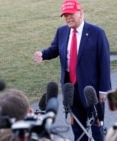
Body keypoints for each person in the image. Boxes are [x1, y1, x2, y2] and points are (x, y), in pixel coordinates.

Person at [33, 0, 111, 140]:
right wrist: (43, 54)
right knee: (78, 129)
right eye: (65, 15)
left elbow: (104, 61)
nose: (68, 18)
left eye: (71, 14)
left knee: (97, 127)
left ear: (81, 13)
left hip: (91, 91)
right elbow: (55, 49)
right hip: (71, 90)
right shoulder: (62, 31)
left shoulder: (97, 33)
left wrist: (104, 89)